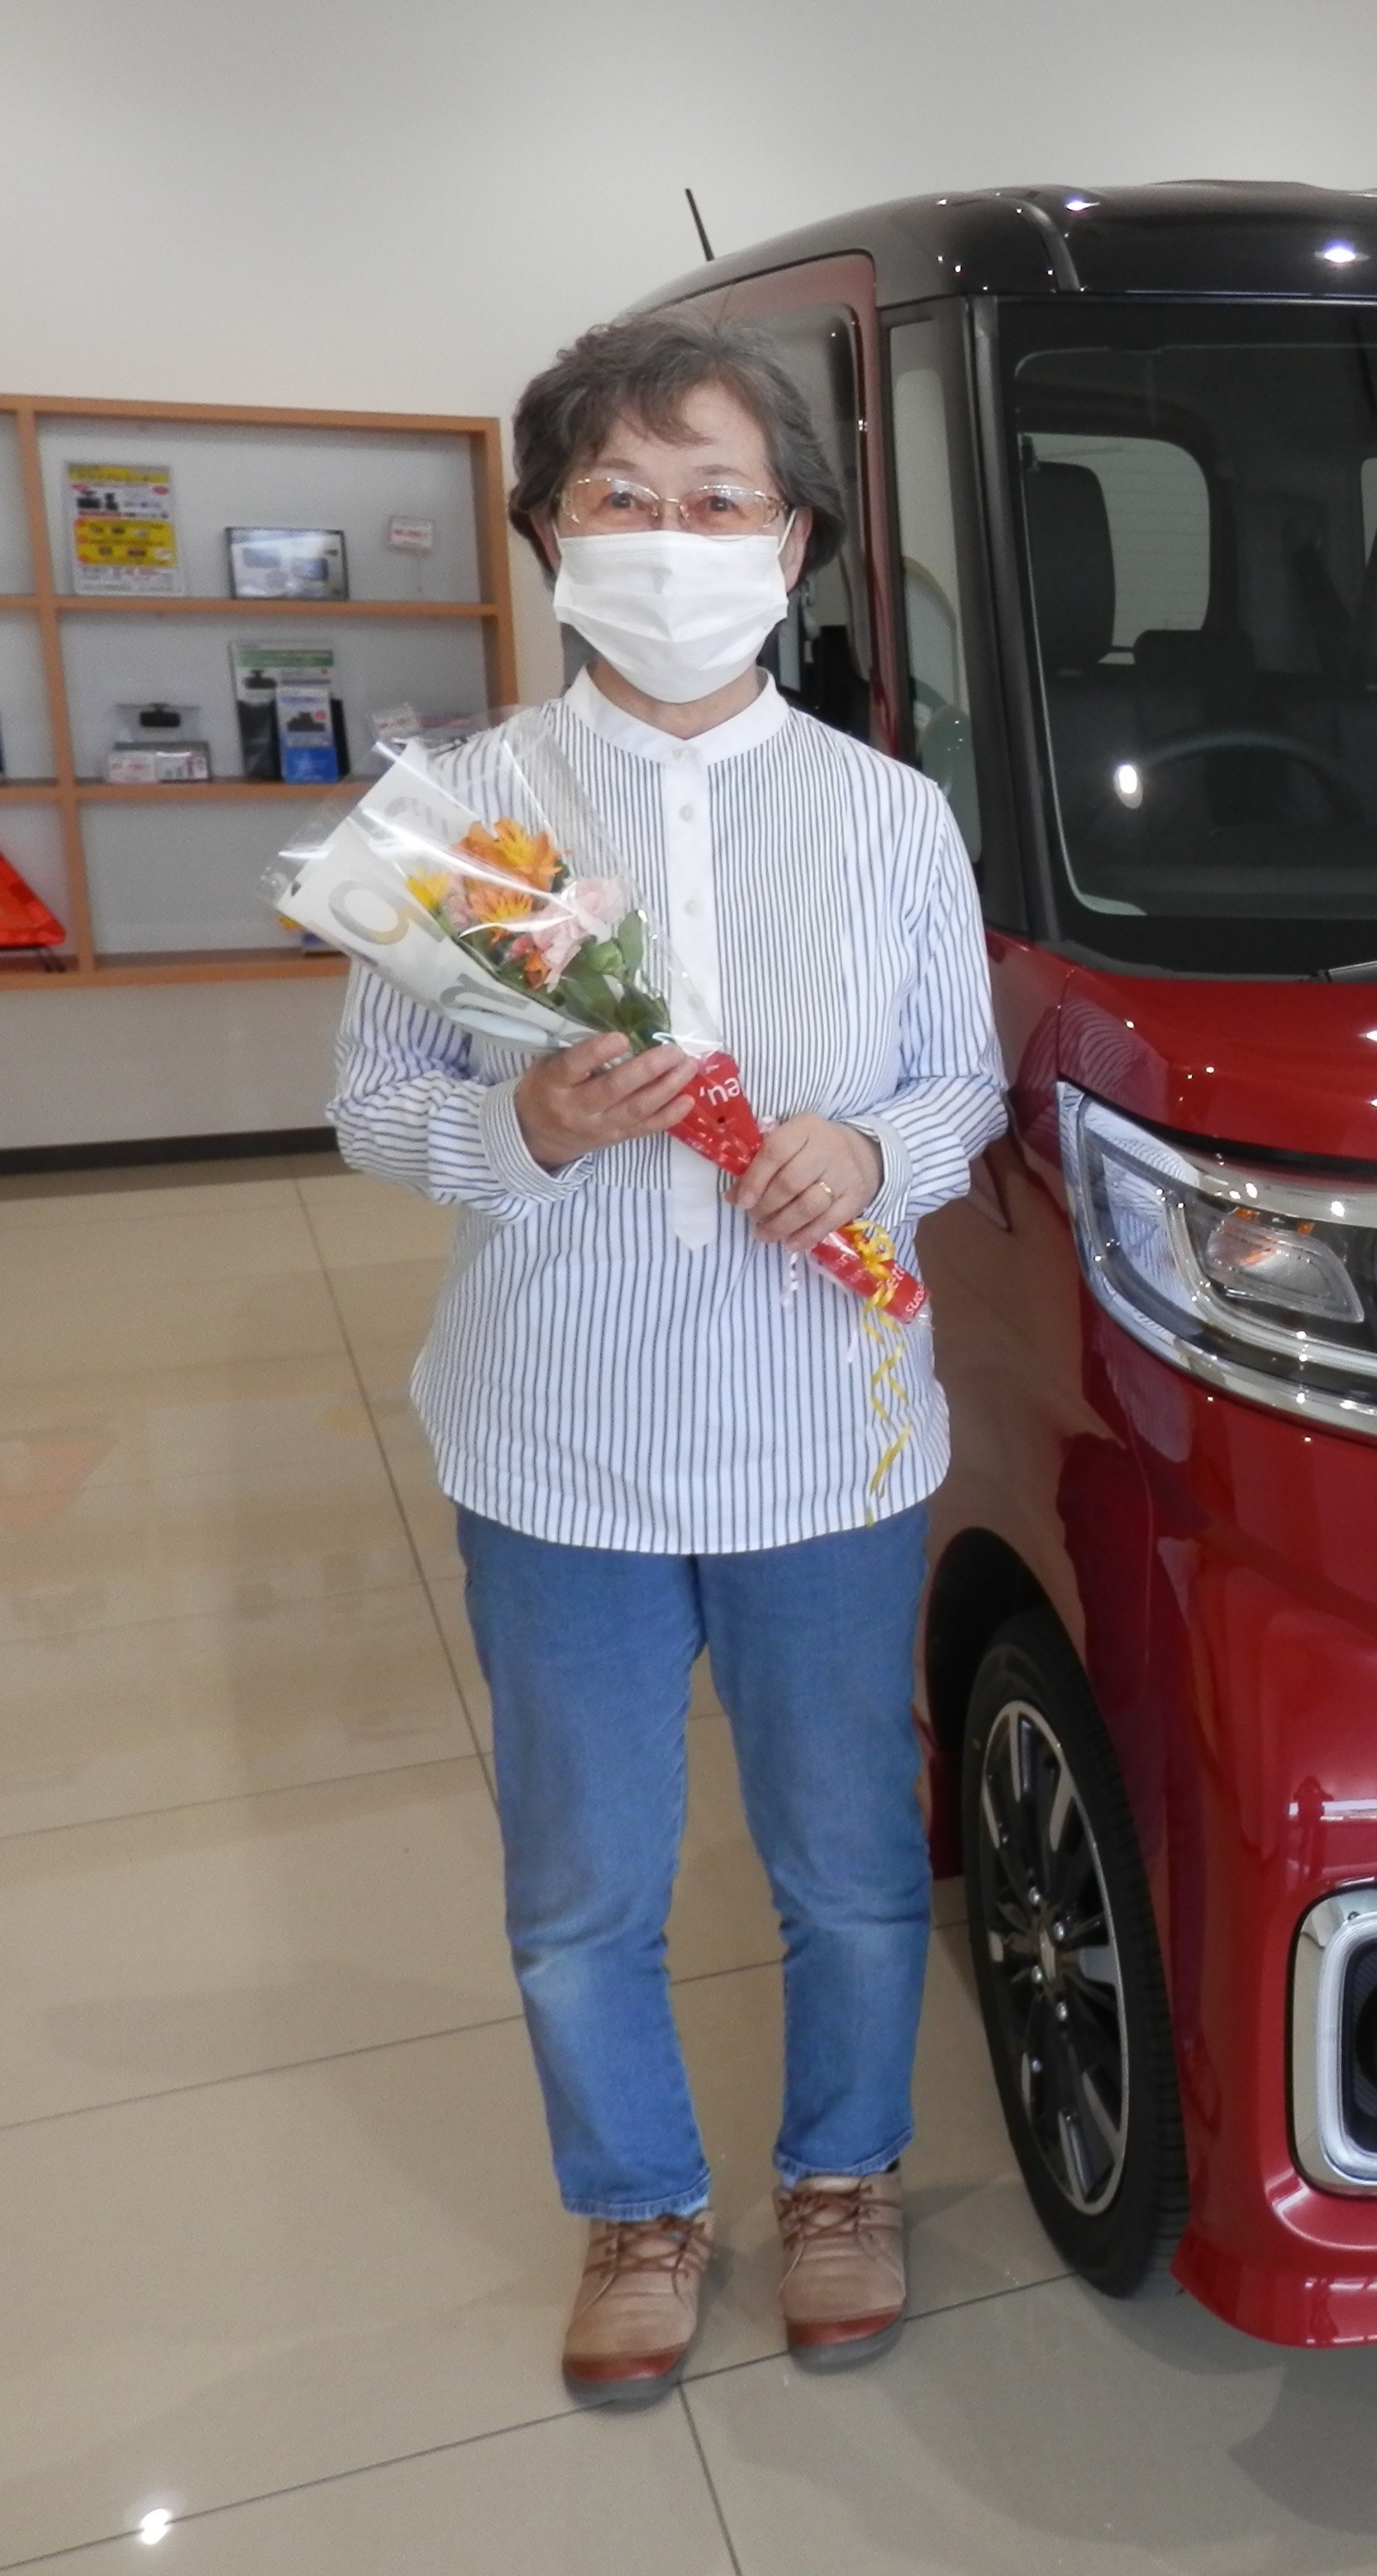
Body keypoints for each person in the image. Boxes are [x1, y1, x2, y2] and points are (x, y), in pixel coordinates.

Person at [330, 311, 1004, 2403]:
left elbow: (963, 1082)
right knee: (582, 1883)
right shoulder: (459, 818)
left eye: (718, 500)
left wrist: (868, 1151)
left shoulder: (887, 813)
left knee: (850, 1867)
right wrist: (528, 1125)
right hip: (562, 1442)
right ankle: (635, 2206)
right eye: (622, 498)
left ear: (790, 545)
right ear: (551, 532)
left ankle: (842, 2179)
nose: (671, 538)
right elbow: (373, 1108)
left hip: (825, 1435)